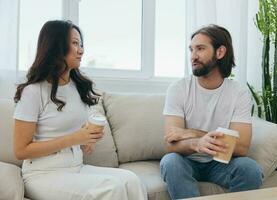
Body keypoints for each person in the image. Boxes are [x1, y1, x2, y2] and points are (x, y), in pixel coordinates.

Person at [13, 20, 147, 200]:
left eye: (81, 44)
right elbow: (21, 150)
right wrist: (74, 139)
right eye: (75, 43)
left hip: (76, 167)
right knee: (111, 188)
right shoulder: (33, 91)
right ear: (56, 46)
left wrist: (86, 141)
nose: (81, 50)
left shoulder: (77, 87)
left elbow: (75, 133)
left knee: (132, 180)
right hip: (42, 174)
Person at [160, 24, 263, 200]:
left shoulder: (238, 93)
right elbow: (171, 144)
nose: (193, 56)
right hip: (187, 160)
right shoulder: (178, 89)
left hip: (221, 163)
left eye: (200, 49)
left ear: (220, 52)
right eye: (191, 49)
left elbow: (242, 147)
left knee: (250, 168)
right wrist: (196, 144)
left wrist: (193, 133)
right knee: (170, 162)